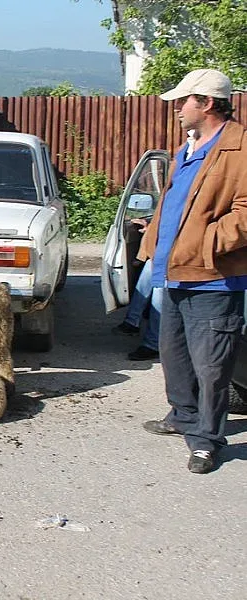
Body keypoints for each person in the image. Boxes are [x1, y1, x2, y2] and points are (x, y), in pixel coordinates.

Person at [138, 68, 247, 474]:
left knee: (212, 365)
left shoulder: (240, 148)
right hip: (175, 273)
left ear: (207, 103)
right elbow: (179, 207)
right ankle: (182, 416)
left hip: (214, 277)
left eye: (183, 101)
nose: (177, 108)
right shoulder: (189, 148)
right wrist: (154, 238)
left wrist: (206, 242)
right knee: (175, 354)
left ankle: (206, 440)